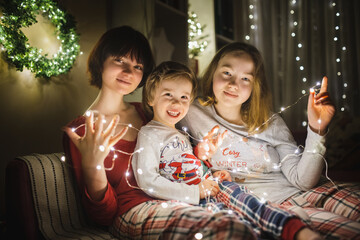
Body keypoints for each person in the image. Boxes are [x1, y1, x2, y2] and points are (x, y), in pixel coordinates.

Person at [63, 26, 257, 239]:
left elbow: (176, 159)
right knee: (225, 229)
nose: (129, 72)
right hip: (138, 211)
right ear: (100, 60)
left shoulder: (148, 111)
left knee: (246, 218)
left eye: (138, 66)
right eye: (120, 60)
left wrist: (201, 155)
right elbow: (102, 216)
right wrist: (94, 166)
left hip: (182, 199)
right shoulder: (81, 132)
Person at [178, 42, 360, 239]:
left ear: (255, 86)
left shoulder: (272, 123)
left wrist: (317, 128)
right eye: (227, 73)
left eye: (245, 78)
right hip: (265, 210)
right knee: (345, 231)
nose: (233, 84)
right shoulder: (189, 112)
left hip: (304, 192)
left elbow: (303, 181)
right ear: (213, 73)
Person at [133, 60, 322, 240]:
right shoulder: (149, 134)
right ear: (151, 97)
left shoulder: (180, 134)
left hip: (211, 187)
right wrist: (194, 192)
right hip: (195, 198)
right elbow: (148, 180)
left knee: (248, 201)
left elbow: (187, 166)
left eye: (184, 97)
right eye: (168, 95)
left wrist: (209, 167)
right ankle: (283, 226)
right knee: (231, 222)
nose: (177, 103)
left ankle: (293, 227)